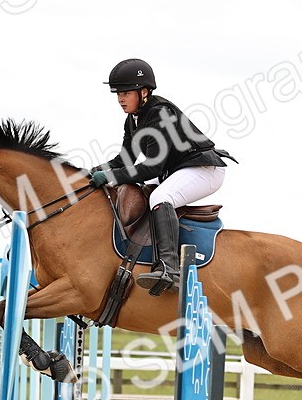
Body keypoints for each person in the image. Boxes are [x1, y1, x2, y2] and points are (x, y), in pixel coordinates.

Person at [89, 58, 234, 294]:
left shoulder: (160, 114)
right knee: (142, 192)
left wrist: (111, 176)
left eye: (125, 93)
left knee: (160, 198)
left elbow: (152, 168)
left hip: (203, 169)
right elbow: (125, 160)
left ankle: (169, 269)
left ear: (144, 92)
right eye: (117, 94)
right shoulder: (134, 119)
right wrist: (95, 171)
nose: (120, 99)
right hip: (177, 170)